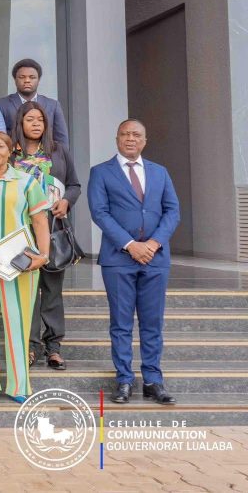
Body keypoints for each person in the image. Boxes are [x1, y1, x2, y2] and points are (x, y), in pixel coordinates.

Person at [89, 119, 180, 406]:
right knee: (121, 322)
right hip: (118, 259)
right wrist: (130, 245)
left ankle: (153, 380)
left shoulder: (160, 172)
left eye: (136, 135)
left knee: (152, 323)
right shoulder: (100, 172)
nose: (130, 139)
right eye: (125, 134)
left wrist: (152, 244)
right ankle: (124, 380)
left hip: (155, 258)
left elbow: (172, 211)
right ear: (117, 139)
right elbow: (100, 213)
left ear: (144, 140)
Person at [0, 131, 51, 403]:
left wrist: (43, 255)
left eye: (0, 146)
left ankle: (18, 385)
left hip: (19, 266)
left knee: (18, 323)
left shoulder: (26, 182)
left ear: (10, 150)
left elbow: (40, 221)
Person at [9, 101, 81, 371]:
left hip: (51, 229)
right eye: (30, 119)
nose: (36, 124)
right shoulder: (10, 153)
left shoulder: (58, 151)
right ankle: (30, 346)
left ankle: (53, 347)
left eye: (40, 119)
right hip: (19, 230)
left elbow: (74, 184)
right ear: (20, 123)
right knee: (26, 291)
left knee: (51, 290)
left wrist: (67, 202)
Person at [0, 59, 70, 150]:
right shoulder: (2, 104)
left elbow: (61, 139)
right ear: (15, 80)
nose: (27, 80)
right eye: (22, 77)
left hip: (47, 157)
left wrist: (60, 157)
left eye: (32, 77)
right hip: (13, 156)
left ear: (38, 80)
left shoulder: (53, 105)